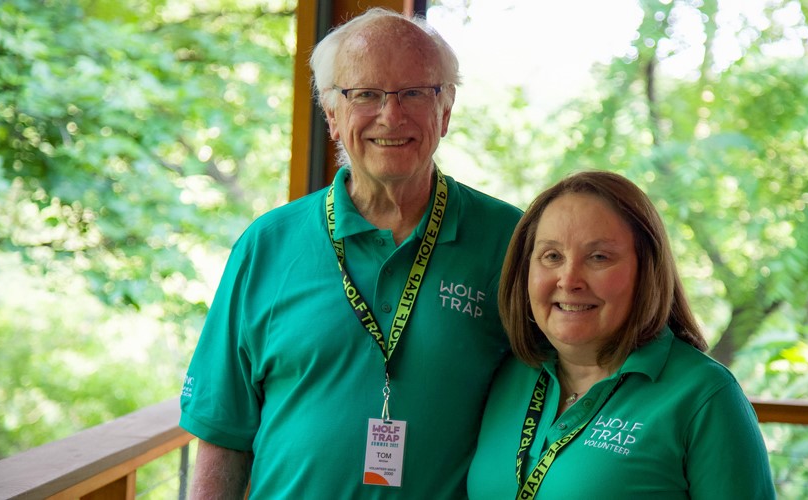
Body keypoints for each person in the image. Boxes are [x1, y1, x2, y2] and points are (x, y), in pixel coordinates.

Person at [178, 7, 522, 498]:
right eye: (365, 94)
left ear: (445, 111)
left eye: (414, 93)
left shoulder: (512, 242)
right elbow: (221, 433)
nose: (391, 114)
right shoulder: (267, 244)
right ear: (332, 114)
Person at [467, 171, 775, 499]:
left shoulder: (705, 396)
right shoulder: (508, 373)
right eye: (552, 256)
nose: (569, 280)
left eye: (599, 257)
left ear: (646, 271)